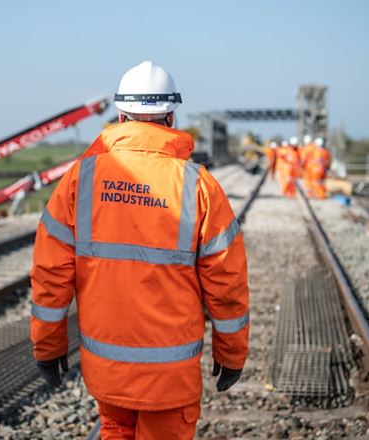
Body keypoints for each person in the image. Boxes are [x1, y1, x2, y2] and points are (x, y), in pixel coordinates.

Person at [29, 61, 250, 440]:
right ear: (171, 115)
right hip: (171, 374)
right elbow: (227, 283)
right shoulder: (198, 186)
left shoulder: (79, 179)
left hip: (106, 367)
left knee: (115, 431)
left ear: (120, 114)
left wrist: (48, 345)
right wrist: (231, 354)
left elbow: (51, 274)